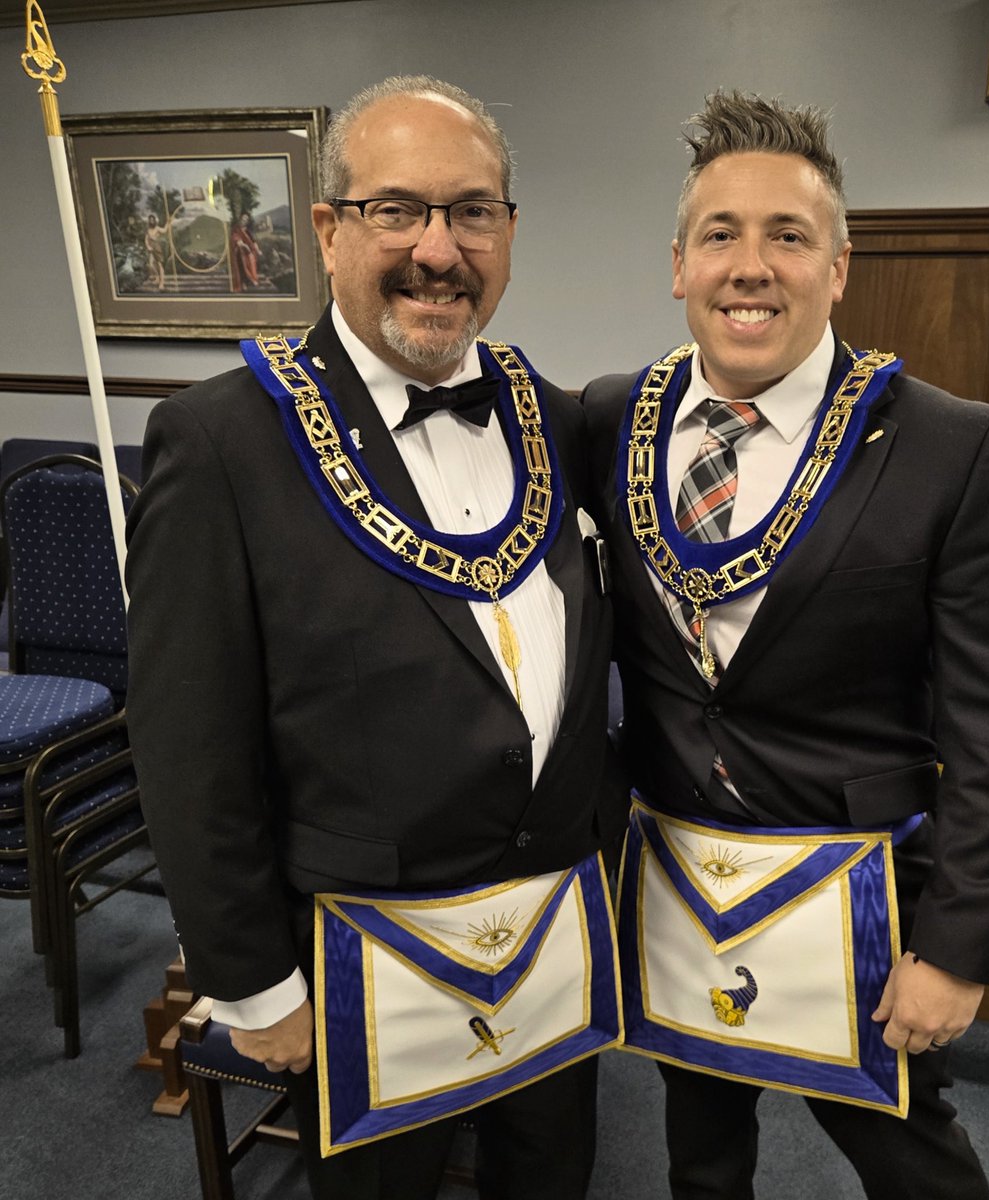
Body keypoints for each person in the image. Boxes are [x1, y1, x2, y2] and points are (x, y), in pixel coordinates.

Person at [126, 75, 624, 1200]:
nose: (438, 250)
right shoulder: (221, 442)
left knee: (553, 1182)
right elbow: (189, 745)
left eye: (473, 212)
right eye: (397, 209)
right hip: (357, 956)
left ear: (508, 231)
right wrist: (255, 984)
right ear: (326, 228)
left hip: (555, 930)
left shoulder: (555, 416)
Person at [583, 91, 989, 1200]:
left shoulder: (950, 447)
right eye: (721, 235)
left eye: (788, 237)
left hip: (862, 898)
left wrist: (957, 950)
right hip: (679, 887)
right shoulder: (610, 418)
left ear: (838, 269)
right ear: (679, 266)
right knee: (702, 1161)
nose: (750, 266)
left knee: (915, 1168)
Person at [229, 209, 260, 291]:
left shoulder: (248, 230)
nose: (244, 221)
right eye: (243, 219)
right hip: (240, 252)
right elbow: (237, 240)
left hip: (248, 252)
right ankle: (243, 283)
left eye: (246, 220)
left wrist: (258, 250)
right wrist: (245, 246)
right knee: (242, 259)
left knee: (251, 258)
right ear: (240, 219)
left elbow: (253, 241)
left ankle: (252, 279)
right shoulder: (236, 229)